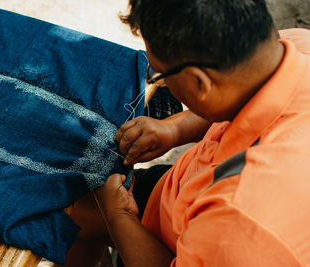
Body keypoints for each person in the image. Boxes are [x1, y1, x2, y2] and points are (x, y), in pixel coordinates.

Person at [54, 0, 310, 266]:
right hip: (181, 195)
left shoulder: (238, 223)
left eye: (159, 75)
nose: (159, 81)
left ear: (200, 82)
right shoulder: (295, 47)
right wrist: (174, 128)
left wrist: (118, 215)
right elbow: (233, 95)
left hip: (177, 243)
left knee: (57, 210)